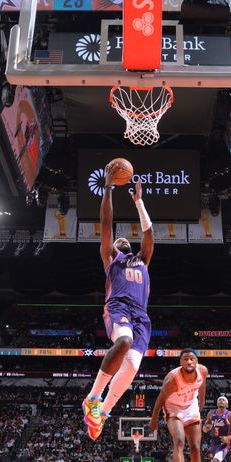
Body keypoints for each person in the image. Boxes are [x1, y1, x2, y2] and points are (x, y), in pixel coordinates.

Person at [84, 163, 154, 441]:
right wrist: (109, 189)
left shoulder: (142, 260)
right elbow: (106, 223)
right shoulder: (110, 259)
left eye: (127, 239)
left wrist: (139, 202)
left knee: (134, 365)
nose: (122, 239)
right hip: (119, 307)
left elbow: (149, 236)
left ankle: (102, 412)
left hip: (142, 316)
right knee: (123, 341)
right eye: (118, 240)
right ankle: (93, 397)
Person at [149, 349, 208, 462]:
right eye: (185, 359)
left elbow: (202, 386)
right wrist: (154, 418)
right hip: (173, 407)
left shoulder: (203, 371)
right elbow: (161, 397)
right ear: (180, 362)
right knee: (179, 441)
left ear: (196, 361)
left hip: (191, 406)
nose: (189, 362)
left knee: (196, 448)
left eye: (192, 359)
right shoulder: (173, 378)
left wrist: (201, 402)